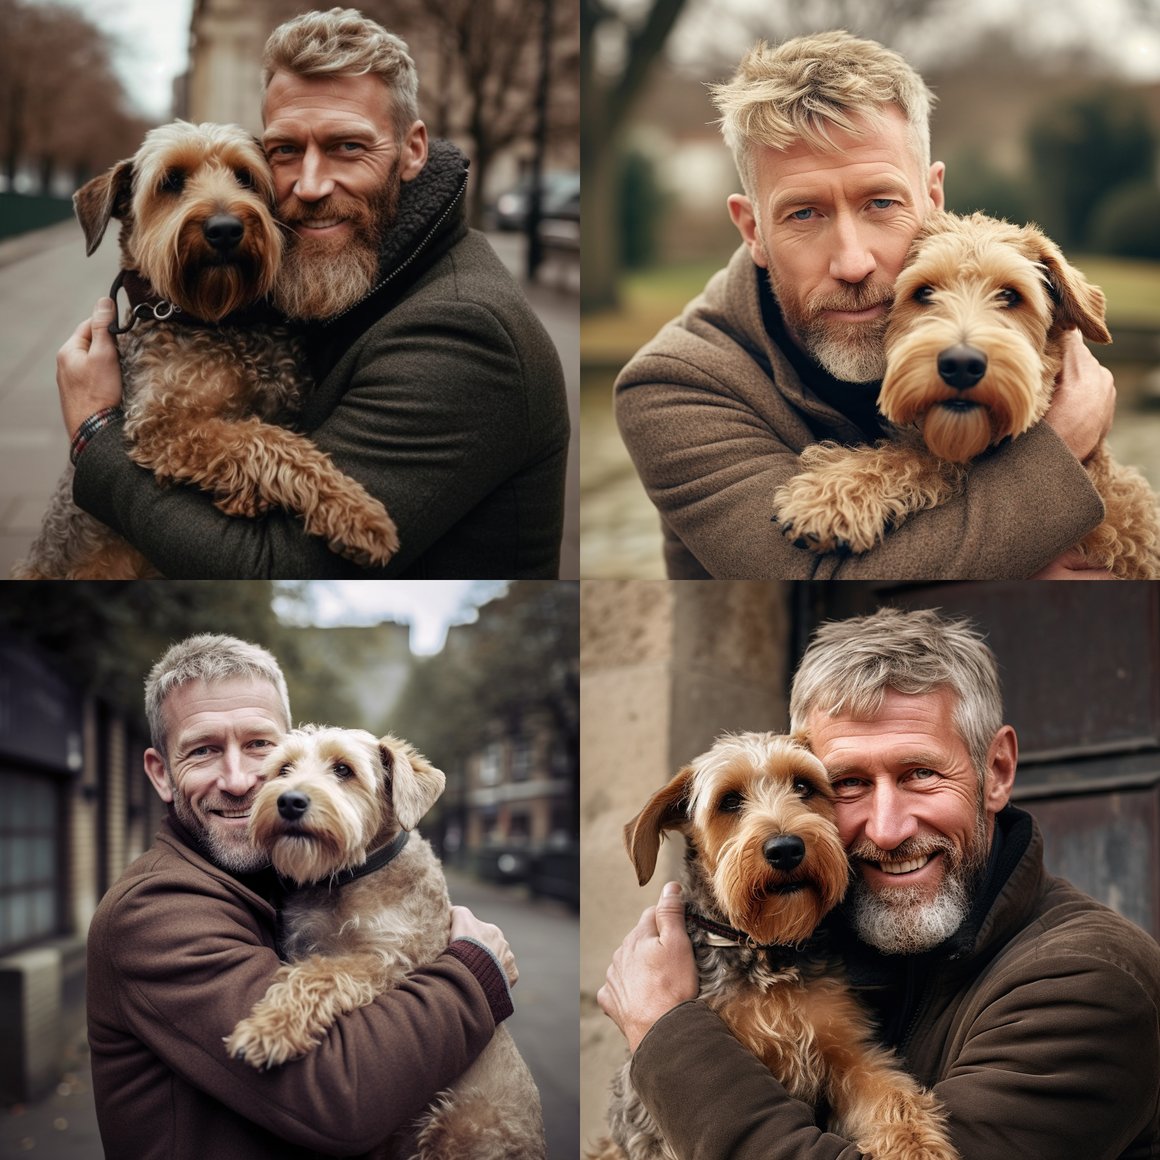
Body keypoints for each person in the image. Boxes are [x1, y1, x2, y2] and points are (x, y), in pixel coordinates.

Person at [597, 606, 1160, 1158]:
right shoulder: (852, 926)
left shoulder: (1092, 986)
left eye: (920, 773)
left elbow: (853, 1080)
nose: (887, 831)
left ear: (997, 772)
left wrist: (665, 1030)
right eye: (846, 783)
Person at [56, 8, 570, 579]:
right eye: (284, 152)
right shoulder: (329, 282)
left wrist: (93, 431)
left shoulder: (463, 334)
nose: (310, 184)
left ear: (413, 149)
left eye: (348, 146)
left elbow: (269, 566)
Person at [613, 31, 1119, 580]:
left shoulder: (1030, 324)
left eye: (880, 203)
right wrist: (1060, 444)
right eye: (803, 214)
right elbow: (813, 583)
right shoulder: (672, 388)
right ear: (752, 229)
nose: (852, 263)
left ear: (933, 200)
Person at [87, 633, 519, 1159]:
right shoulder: (153, 911)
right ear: (161, 774)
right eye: (203, 751)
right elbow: (344, 1099)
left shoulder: (280, 879)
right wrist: (474, 971)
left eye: (261, 748)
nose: (241, 779)